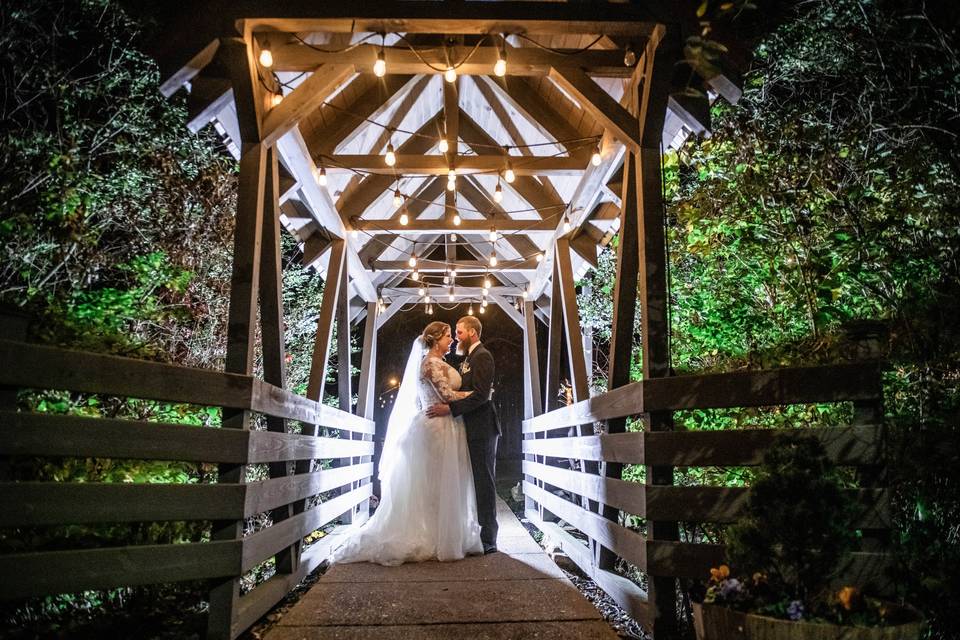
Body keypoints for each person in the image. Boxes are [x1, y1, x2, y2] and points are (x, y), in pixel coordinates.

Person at [330, 321, 483, 565]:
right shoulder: (430, 365)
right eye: (447, 336)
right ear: (435, 340)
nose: (451, 340)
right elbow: (447, 396)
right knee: (434, 482)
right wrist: (480, 394)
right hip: (435, 428)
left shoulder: (439, 362)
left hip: (447, 425)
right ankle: (431, 536)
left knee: (442, 482)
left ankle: (441, 533)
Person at [426, 316, 501, 555]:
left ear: (473, 333)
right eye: (454, 333)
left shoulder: (483, 356)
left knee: (484, 482)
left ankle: (489, 539)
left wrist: (450, 409)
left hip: (482, 427)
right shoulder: (469, 358)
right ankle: (473, 533)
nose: (457, 337)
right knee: (471, 482)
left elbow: (481, 395)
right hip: (466, 427)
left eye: (459, 332)